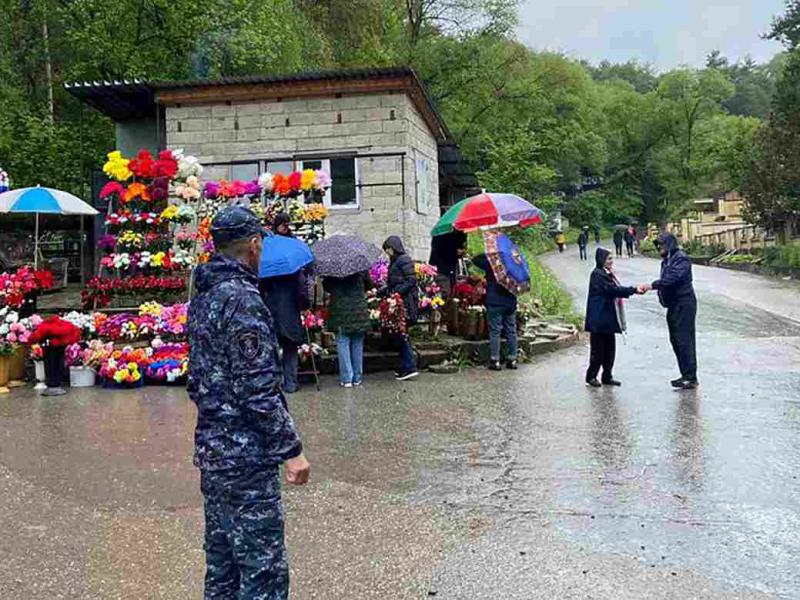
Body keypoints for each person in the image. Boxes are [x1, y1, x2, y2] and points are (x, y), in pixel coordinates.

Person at [188, 206, 310, 599]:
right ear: (254, 245)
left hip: (213, 451)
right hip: (246, 458)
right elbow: (258, 389)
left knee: (222, 566)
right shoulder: (242, 300)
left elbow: (196, 376)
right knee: (263, 569)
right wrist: (291, 450)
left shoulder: (203, 296)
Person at [584, 247, 642, 387]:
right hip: (598, 318)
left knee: (610, 350)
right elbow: (612, 290)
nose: (611, 261)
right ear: (601, 260)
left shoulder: (607, 274)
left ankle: (607, 375)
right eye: (608, 259)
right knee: (598, 350)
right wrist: (633, 290)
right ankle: (591, 376)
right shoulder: (598, 274)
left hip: (608, 317)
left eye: (611, 258)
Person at [649, 232, 698, 390]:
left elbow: (672, 278)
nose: (659, 248)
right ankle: (685, 374)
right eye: (657, 245)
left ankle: (690, 377)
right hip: (673, 304)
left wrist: (653, 285)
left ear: (669, 244)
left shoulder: (680, 258)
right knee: (676, 340)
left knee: (684, 340)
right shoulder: (666, 260)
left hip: (684, 303)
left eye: (661, 244)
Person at [323, 271, 372, 388]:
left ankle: (347, 378)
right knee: (357, 344)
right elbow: (369, 284)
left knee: (343, 343)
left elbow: (327, 286)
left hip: (340, 311)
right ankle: (357, 377)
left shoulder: (334, 268)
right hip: (358, 310)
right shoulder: (360, 267)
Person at [382, 236, 419, 381]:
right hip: (398, 301)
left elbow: (411, 280)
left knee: (402, 336)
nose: (388, 253)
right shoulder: (395, 262)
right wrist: (379, 292)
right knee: (399, 335)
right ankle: (405, 366)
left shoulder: (403, 260)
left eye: (388, 249)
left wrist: (396, 294)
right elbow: (392, 284)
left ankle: (410, 367)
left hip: (404, 303)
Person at [472, 253, 518, 371]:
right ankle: (512, 359)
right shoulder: (514, 264)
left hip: (495, 302)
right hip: (510, 302)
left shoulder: (493, 263)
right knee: (511, 330)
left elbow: (475, 260)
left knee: (495, 331)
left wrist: (488, 253)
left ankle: (495, 360)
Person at [429, 230, 467, 297]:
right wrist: (457, 252)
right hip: (442, 266)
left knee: (449, 288)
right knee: (445, 291)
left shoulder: (455, 232)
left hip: (447, 265)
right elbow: (441, 249)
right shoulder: (445, 234)